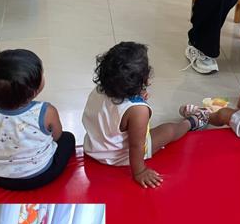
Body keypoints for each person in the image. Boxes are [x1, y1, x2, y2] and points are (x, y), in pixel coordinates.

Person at [82, 41, 204, 189]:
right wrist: (140, 171)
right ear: (145, 79)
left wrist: (135, 96)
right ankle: (193, 121)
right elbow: (136, 145)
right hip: (117, 156)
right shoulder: (138, 111)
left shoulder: (100, 89)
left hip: (94, 147)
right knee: (169, 130)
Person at [0, 48, 76, 189]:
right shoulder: (46, 111)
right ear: (34, 90)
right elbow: (57, 136)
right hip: (40, 175)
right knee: (68, 138)